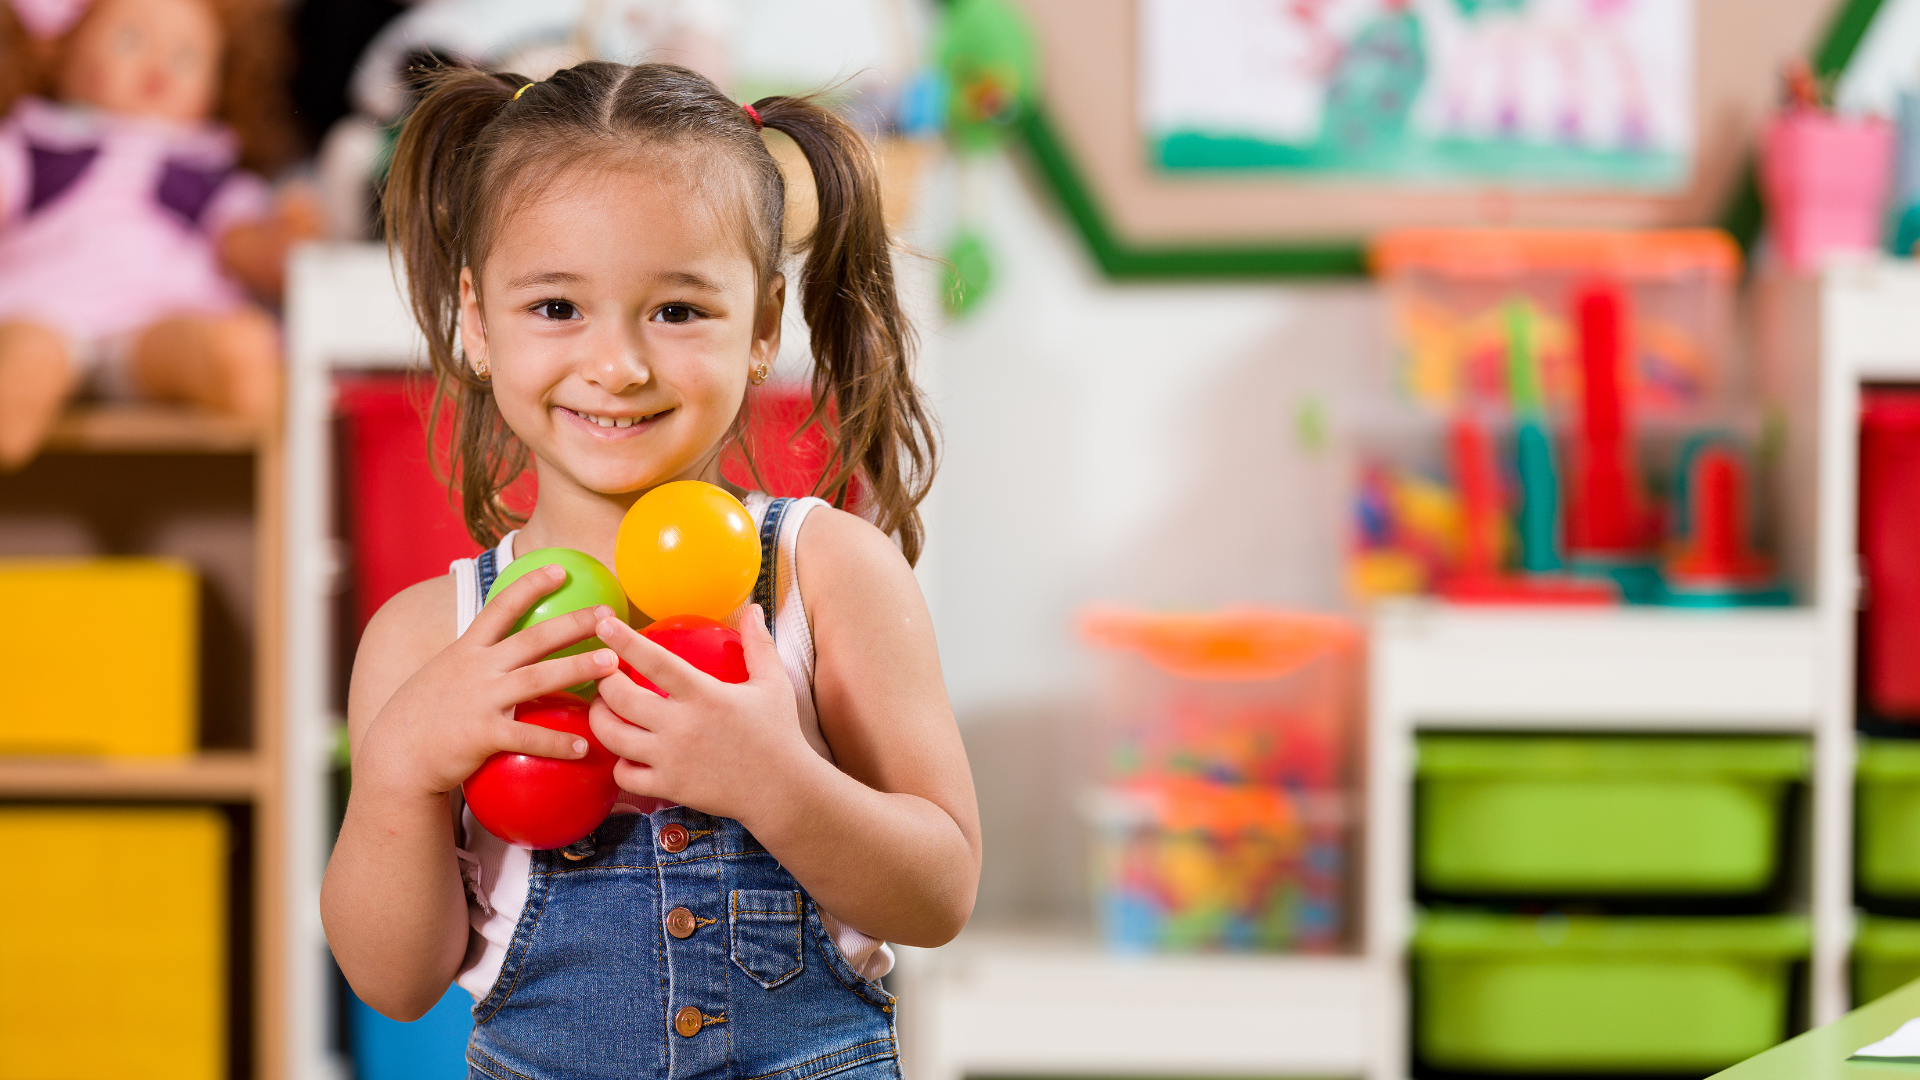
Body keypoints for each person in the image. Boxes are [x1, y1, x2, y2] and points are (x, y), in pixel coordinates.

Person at [320, 61, 978, 1080]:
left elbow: (939, 895)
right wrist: (402, 771)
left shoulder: (828, 574)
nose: (618, 363)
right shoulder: (423, 637)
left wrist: (780, 782)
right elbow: (394, 983)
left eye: (675, 312)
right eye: (555, 308)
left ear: (761, 326)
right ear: (478, 319)